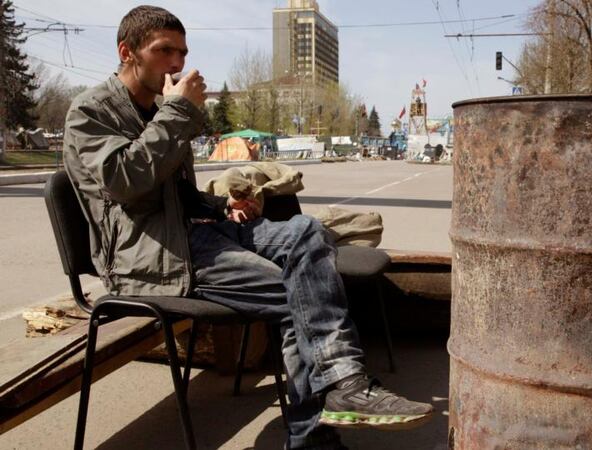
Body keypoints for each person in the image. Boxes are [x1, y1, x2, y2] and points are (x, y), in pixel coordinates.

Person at [62, 6, 432, 450]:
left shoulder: (161, 110)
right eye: (164, 51)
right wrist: (179, 111)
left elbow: (172, 195)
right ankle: (318, 429)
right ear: (127, 52)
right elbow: (125, 182)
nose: (177, 64)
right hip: (151, 259)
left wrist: (222, 206)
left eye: (182, 52)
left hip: (196, 235)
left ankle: (342, 387)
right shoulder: (90, 112)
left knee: (305, 231)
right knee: (304, 293)